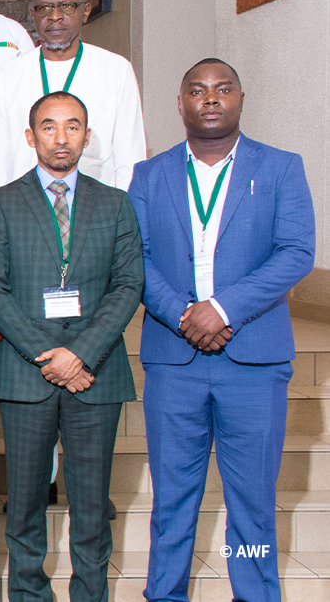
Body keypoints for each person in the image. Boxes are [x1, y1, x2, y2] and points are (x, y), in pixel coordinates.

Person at [129, 59, 315, 602]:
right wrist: (187, 315)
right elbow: (134, 258)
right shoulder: (150, 174)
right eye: (196, 90)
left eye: (221, 89)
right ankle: (166, 594)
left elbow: (297, 251)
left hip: (253, 358)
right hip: (174, 358)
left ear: (239, 99)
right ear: (181, 103)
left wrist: (224, 309)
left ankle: (254, 594)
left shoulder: (281, 167)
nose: (209, 98)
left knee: (252, 501)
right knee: (172, 498)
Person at [0, 92, 144, 602]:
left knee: (91, 503)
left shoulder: (114, 202)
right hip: (28, 375)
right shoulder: (0, 202)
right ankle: (28, 594)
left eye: (73, 127)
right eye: (49, 127)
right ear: (30, 137)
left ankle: (91, 593)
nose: (61, 137)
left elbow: (128, 284)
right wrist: (49, 356)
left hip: (96, 373)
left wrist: (82, 354)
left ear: (87, 137)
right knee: (24, 501)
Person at [0, 0, 145, 191]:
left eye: (66, 6)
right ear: (33, 14)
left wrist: (123, 213)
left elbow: (129, 160)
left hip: (97, 209)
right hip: (23, 210)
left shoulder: (116, 70)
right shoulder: (6, 77)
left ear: (85, 11)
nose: (55, 16)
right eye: (44, 8)